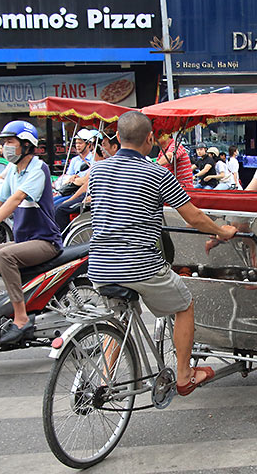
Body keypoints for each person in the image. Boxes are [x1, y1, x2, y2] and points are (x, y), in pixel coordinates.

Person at [87, 111, 237, 396]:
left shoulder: (97, 171)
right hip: (140, 266)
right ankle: (184, 375)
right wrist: (221, 231)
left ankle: (105, 380)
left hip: (100, 267)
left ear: (117, 138)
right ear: (151, 139)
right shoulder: (156, 173)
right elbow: (193, 217)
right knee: (185, 304)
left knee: (120, 316)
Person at [0, 121, 63, 344]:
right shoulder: (13, 170)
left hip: (45, 242)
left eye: (9, 142)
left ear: (27, 145)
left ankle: (21, 318)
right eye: (3, 143)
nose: (4, 147)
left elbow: (16, 198)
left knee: (4, 256)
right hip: (23, 241)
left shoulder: (38, 169)